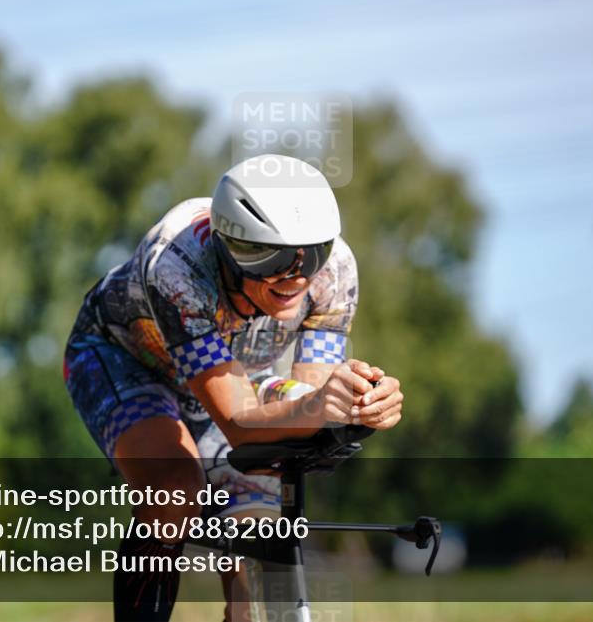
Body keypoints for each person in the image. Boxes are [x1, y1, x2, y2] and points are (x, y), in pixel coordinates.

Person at [64, 154, 404, 621]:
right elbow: (240, 423)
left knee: (260, 506)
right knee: (175, 490)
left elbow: (304, 414)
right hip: (124, 359)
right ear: (228, 248)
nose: (297, 276)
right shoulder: (178, 267)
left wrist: (360, 402)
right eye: (273, 257)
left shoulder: (336, 271)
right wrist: (321, 405)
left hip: (235, 374)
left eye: (313, 252)